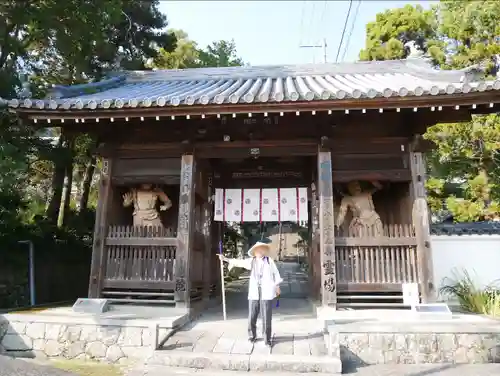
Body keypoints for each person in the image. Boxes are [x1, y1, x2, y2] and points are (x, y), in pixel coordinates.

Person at [218, 241, 283, 347]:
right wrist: (225, 259)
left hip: (266, 290)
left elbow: (276, 274)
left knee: (266, 316)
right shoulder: (251, 261)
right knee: (252, 315)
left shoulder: (269, 261)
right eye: (257, 250)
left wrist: (277, 286)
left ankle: (267, 339)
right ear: (254, 252)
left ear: (264, 251)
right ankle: (252, 335)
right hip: (254, 291)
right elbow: (239, 262)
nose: (259, 251)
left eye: (261, 249)